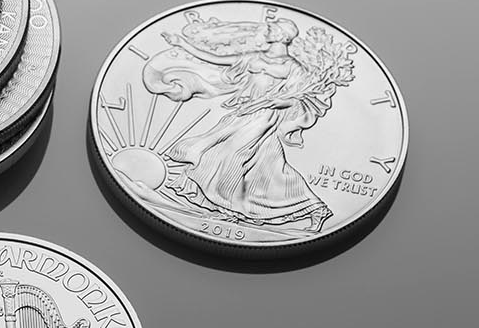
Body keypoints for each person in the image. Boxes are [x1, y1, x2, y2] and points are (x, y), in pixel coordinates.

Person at [143, 13, 337, 232]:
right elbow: (215, 58)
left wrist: (272, 101)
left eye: (272, 29)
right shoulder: (254, 57)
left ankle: (227, 207)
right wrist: (182, 43)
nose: (267, 31)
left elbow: (296, 98)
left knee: (233, 154)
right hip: (242, 112)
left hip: (265, 115)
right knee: (269, 167)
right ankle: (314, 208)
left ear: (282, 36)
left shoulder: (294, 68)